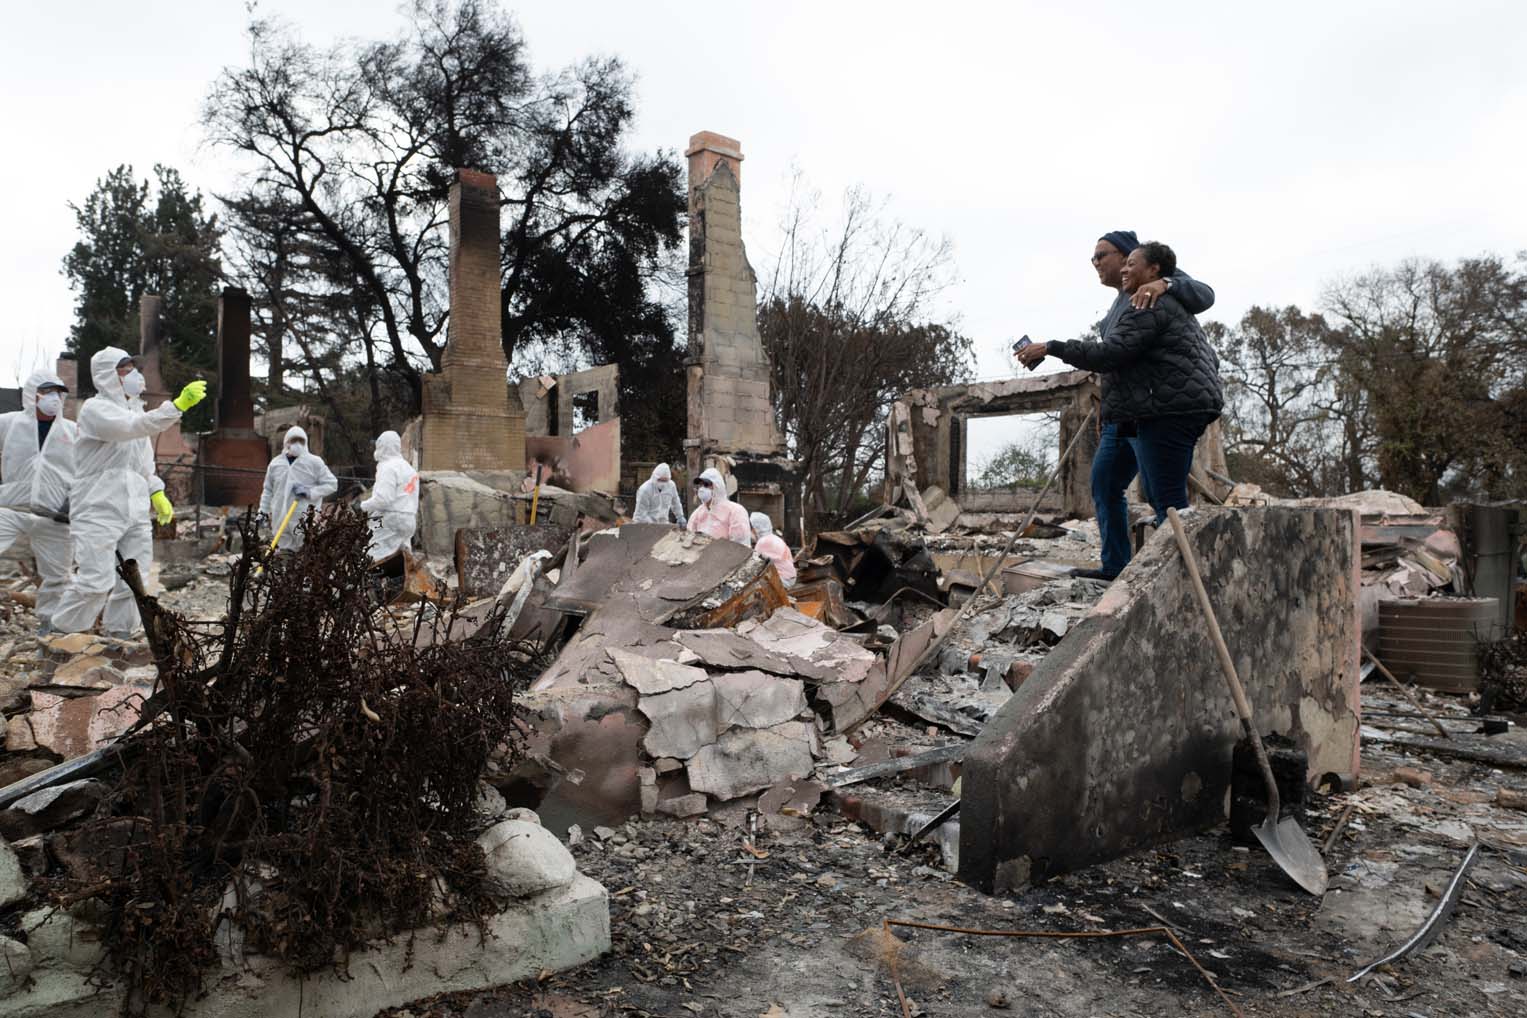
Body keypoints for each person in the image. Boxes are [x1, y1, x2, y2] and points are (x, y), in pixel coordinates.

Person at [1018, 230, 1217, 580]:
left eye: (1104, 256)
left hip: (1161, 410)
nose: (1097, 263)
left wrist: (1051, 346)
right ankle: (1115, 567)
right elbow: (1123, 362)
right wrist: (1106, 412)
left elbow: (1113, 354)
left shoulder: (1151, 294)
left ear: (1144, 266)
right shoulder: (1118, 305)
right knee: (1106, 481)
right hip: (1128, 413)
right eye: (1094, 258)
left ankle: (1183, 578)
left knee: (1165, 500)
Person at [50, 348, 205, 636]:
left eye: (134, 367)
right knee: (95, 582)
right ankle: (60, 634)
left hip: (134, 509)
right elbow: (132, 428)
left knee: (136, 582)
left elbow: (144, 464)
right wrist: (177, 405)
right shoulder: (96, 410)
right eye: (126, 369)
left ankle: (119, 634)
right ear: (108, 375)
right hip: (98, 507)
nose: (135, 374)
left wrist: (157, 492)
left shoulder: (136, 410)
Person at [0, 371, 76, 633]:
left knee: (57, 577)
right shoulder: (10, 423)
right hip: (11, 508)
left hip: (55, 515)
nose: (54, 398)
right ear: (33, 394)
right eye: (47, 392)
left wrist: (73, 502)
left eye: (58, 392)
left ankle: (49, 632)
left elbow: (88, 471)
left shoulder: (72, 431)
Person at [258, 425, 338, 550]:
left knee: (305, 552)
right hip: (280, 519)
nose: (297, 444)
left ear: (306, 442)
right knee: (283, 554)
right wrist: (262, 512)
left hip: (304, 519)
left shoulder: (314, 462)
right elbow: (268, 490)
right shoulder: (276, 463)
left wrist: (310, 492)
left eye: (301, 441)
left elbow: (332, 484)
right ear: (286, 442)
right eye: (293, 440)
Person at [359, 430, 418, 561]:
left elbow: (383, 499)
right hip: (409, 520)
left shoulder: (387, 467)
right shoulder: (409, 469)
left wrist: (363, 506)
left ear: (382, 446)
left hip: (390, 519)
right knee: (404, 560)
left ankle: (373, 580)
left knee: (374, 554)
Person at [686, 467, 751, 546]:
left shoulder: (735, 511)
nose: (702, 489)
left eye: (706, 485)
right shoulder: (698, 513)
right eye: (700, 485)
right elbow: (688, 538)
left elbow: (739, 546)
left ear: (717, 486)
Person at [749, 512, 796, 586]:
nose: (751, 531)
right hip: (790, 577)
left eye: (752, 528)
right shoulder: (774, 538)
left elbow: (753, 564)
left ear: (756, 528)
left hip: (783, 580)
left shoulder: (763, 541)